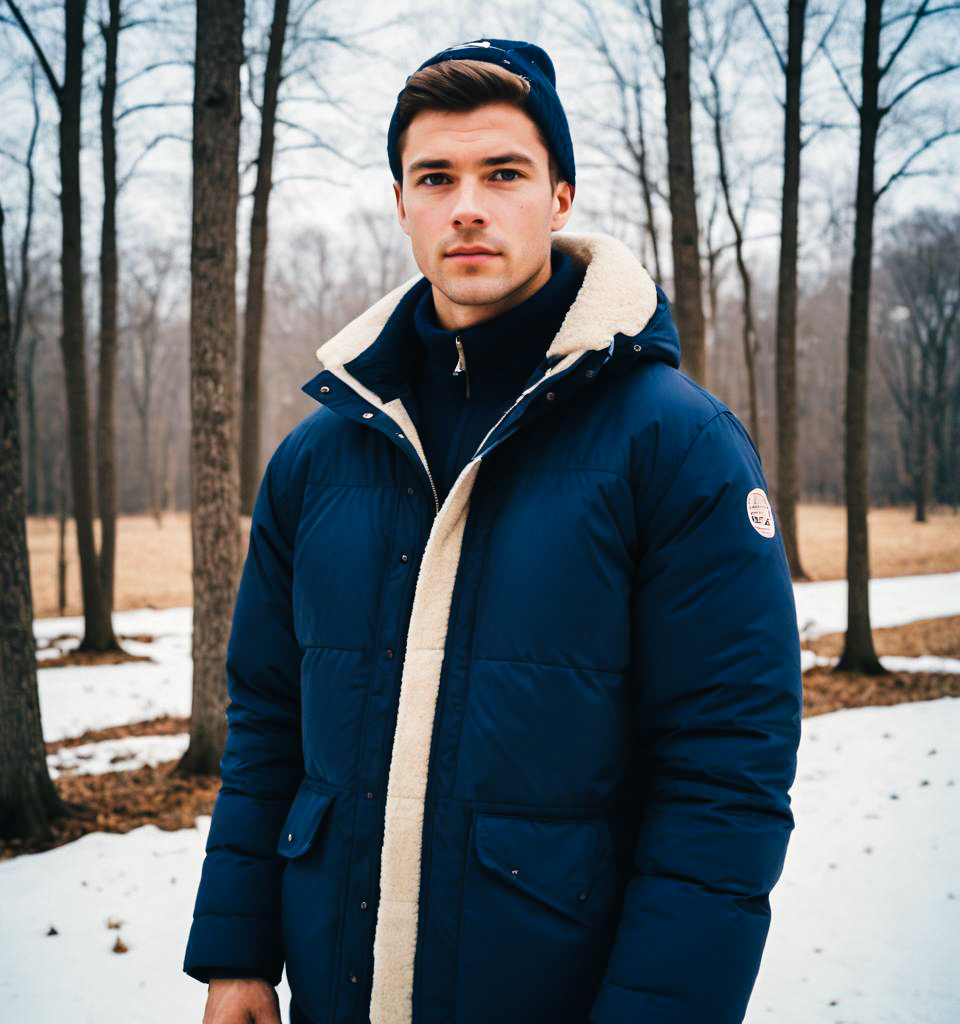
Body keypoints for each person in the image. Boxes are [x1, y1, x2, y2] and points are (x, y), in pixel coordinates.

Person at [184, 37, 803, 1024]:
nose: (466, 204)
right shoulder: (320, 456)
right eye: (435, 176)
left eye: (503, 172)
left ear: (559, 196)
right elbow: (267, 721)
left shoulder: (677, 446)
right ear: (401, 203)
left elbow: (722, 776)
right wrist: (237, 952)